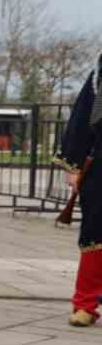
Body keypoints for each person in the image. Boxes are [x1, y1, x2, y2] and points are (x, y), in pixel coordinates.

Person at [58, 60, 102, 326]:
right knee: (95, 235)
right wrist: (73, 166)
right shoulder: (100, 72)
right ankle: (85, 303)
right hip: (101, 166)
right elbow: (80, 121)